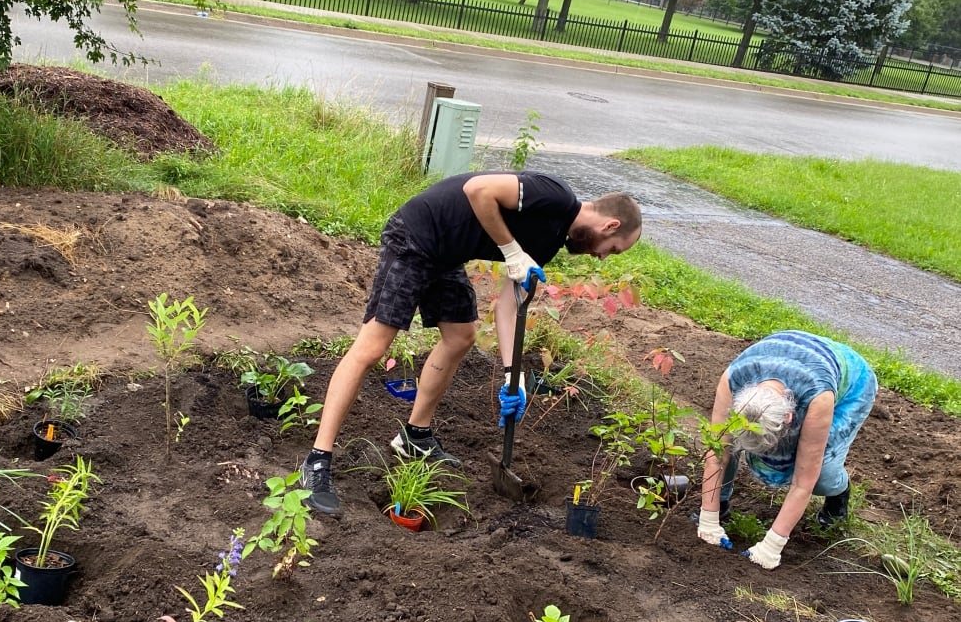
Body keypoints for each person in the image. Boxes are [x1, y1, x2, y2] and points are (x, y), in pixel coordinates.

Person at [300, 170, 642, 516]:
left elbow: (509, 306)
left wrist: (514, 376)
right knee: (372, 348)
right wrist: (511, 251)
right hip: (415, 237)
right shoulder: (555, 196)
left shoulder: (550, 241)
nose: (601, 256)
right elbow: (477, 189)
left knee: (461, 336)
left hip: (446, 255)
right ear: (610, 226)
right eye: (611, 250)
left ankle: (415, 437)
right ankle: (317, 460)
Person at [695, 330, 877, 570]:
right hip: (789, 358)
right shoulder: (732, 381)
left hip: (851, 385)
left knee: (822, 471)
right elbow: (717, 453)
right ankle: (722, 502)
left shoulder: (817, 397)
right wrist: (708, 519)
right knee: (727, 444)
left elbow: (803, 481)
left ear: (790, 417)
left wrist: (772, 545)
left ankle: (837, 494)